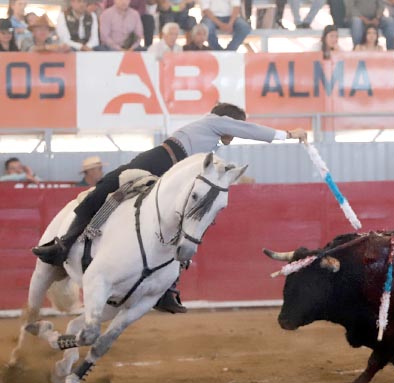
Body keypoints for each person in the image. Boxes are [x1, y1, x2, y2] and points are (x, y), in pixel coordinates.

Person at [32, 103, 308, 313]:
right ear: (227, 121)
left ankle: (165, 288)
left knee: (179, 227)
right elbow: (249, 131)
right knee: (103, 189)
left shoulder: (209, 146)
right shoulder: (212, 122)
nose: (236, 135)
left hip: (172, 176)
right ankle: (63, 245)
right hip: (159, 162)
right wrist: (288, 134)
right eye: (236, 128)